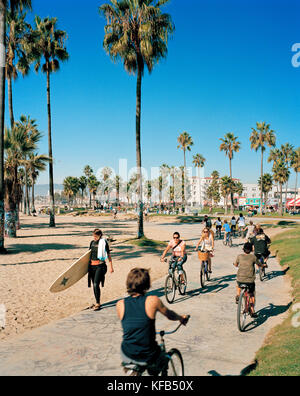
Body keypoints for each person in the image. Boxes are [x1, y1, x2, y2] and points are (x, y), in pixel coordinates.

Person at [117, 268, 189, 374]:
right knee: (161, 363)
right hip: (148, 353)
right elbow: (170, 315)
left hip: (127, 352)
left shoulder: (120, 304)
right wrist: (181, 318)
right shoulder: (153, 301)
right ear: (147, 284)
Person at [234, 242, 263, 318]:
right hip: (250, 280)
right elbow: (259, 264)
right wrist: (263, 265)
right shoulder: (253, 257)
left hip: (240, 279)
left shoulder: (239, 256)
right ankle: (252, 311)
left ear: (243, 249)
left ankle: (238, 294)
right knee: (252, 294)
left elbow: (236, 264)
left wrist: (235, 264)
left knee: (238, 284)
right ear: (251, 250)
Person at [88, 229, 114, 311]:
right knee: (94, 285)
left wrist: (111, 266)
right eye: (93, 236)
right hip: (92, 267)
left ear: (100, 235)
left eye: (96, 236)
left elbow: (108, 254)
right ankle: (97, 301)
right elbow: (88, 254)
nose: (94, 237)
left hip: (100, 266)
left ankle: (98, 303)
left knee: (96, 284)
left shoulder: (103, 243)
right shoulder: (92, 242)